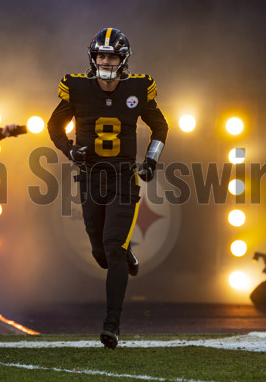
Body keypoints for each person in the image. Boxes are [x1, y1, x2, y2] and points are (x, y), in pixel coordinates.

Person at [47, 27, 169, 349]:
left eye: (112, 55)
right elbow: (54, 125)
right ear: (92, 57)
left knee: (112, 248)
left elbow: (160, 126)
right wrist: (69, 150)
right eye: (101, 54)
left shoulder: (138, 88)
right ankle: (124, 252)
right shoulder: (76, 87)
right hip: (90, 177)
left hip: (123, 177)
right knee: (101, 253)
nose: (106, 60)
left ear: (123, 59)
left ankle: (111, 325)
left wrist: (151, 160)